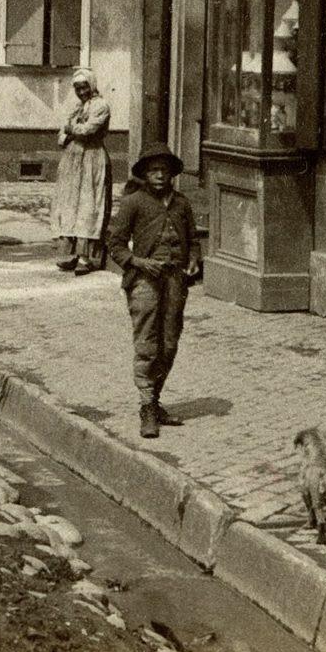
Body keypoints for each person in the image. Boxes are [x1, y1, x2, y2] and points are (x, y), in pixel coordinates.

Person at [105, 142, 200, 439]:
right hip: (144, 281)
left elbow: (193, 240)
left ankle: (155, 401)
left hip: (175, 280)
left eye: (164, 170)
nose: (159, 175)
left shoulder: (182, 203)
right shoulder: (133, 202)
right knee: (147, 343)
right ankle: (146, 407)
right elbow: (115, 245)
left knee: (169, 343)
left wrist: (195, 259)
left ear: (172, 173)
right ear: (145, 173)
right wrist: (139, 262)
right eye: (153, 170)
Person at [52, 68, 113, 274]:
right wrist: (69, 132)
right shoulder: (76, 107)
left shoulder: (101, 106)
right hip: (72, 159)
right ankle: (73, 254)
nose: (81, 92)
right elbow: (62, 134)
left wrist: (72, 130)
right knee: (70, 204)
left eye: (84, 87)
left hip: (92, 159)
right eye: (77, 88)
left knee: (89, 204)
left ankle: (88, 258)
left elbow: (88, 130)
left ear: (92, 85)